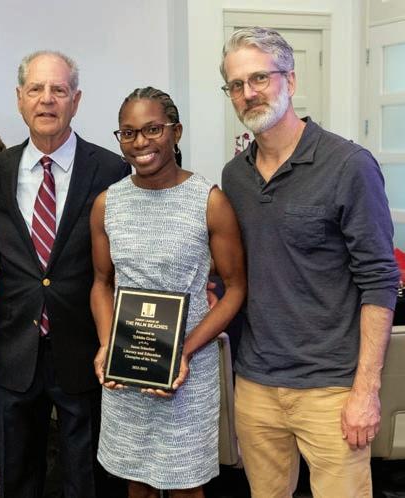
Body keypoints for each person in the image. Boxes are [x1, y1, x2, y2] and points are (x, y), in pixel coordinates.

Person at [219, 27, 401, 497]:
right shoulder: (234, 176)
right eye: (236, 84)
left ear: (291, 80)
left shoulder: (348, 164)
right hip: (256, 384)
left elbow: (380, 280)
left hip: (332, 389)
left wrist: (366, 391)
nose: (248, 93)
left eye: (260, 78)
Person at [0, 50, 131, 498]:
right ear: (19, 99)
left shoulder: (110, 170)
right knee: (17, 475)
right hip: (15, 349)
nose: (47, 99)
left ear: (76, 100)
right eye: (36, 89)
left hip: (82, 349)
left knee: (86, 477)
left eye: (59, 90)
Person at [90, 87, 247, 498]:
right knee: (136, 482)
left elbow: (235, 289)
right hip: (128, 366)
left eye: (152, 129)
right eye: (128, 133)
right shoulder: (107, 204)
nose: (140, 142)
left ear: (176, 132)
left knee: (185, 486)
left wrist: (184, 351)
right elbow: (101, 284)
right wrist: (107, 345)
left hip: (187, 370)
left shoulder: (209, 201)